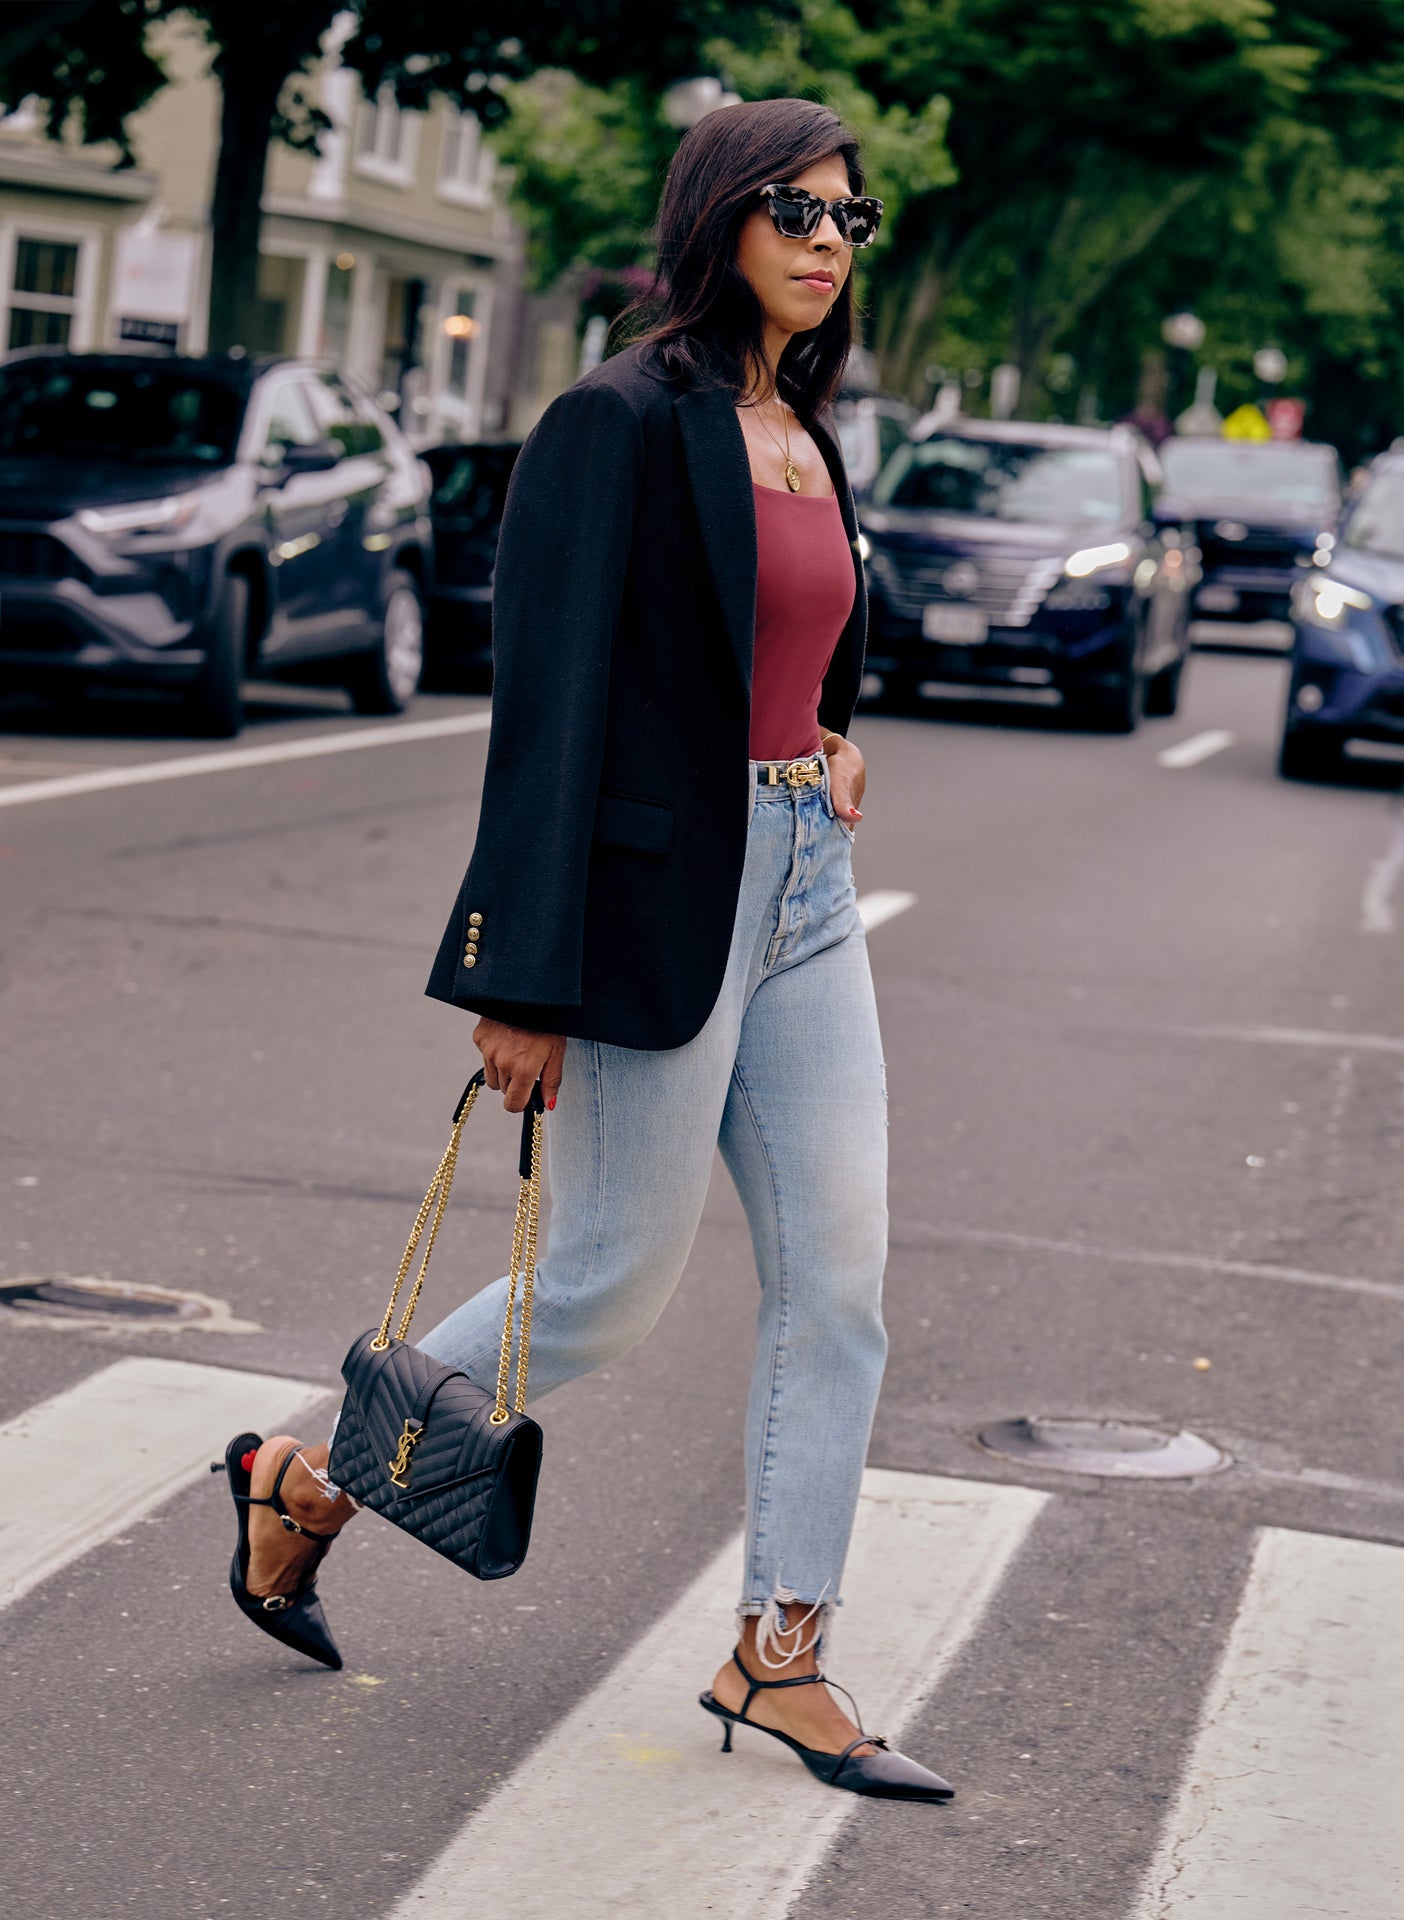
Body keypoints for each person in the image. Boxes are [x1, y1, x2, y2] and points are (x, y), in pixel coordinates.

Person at [219, 96, 952, 1804]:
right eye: (801, 210)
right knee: (611, 1286)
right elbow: (544, 710)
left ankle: (783, 1654)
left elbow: (793, 646)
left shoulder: (803, 427)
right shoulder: (618, 418)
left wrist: (829, 737)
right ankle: (310, 1477)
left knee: (838, 1287)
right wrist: (517, 976)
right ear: (721, 215)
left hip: (804, 891)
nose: (832, 242)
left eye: (858, 218)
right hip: (647, 902)